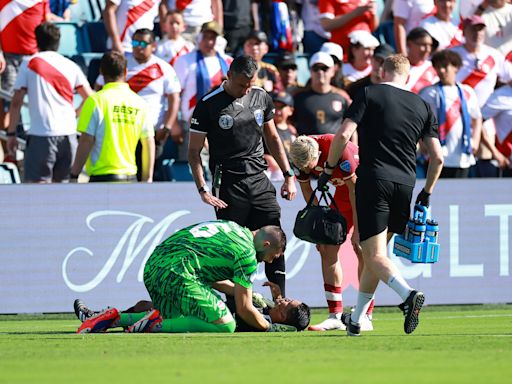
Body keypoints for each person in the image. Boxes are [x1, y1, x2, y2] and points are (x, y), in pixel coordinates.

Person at [319, 54, 444, 336]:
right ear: (407, 75)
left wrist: (328, 169)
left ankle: (408, 296)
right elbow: (437, 157)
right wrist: (427, 193)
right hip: (406, 184)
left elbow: (342, 136)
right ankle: (357, 320)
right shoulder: (423, 105)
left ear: (381, 71)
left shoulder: (369, 93)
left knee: (372, 254)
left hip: (374, 179)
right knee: (377, 255)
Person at [188, 55, 297, 296]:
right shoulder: (208, 104)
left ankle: (281, 303)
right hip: (228, 184)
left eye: (249, 84)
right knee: (232, 248)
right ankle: (237, 309)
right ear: (229, 76)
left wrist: (288, 174)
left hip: (259, 180)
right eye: (241, 85)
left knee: (275, 239)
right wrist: (203, 190)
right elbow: (193, 151)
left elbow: (272, 137)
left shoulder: (261, 97)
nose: (246, 89)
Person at [77, 220, 296, 333]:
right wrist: (271, 327)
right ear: (266, 245)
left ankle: (112, 318)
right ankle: (153, 324)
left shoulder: (231, 227)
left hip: (154, 267)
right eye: (272, 256)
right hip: (178, 273)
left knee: (178, 320)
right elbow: (243, 309)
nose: (268, 261)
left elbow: (207, 277)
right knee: (225, 324)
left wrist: (244, 291)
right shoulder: (248, 253)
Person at [289, 135, 374, 332]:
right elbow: (306, 188)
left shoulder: (339, 150)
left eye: (310, 166)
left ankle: (366, 314)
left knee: (361, 247)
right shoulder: (298, 155)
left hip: (363, 191)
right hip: (341, 193)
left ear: (318, 154)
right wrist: (321, 221)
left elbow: (355, 191)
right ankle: (335, 314)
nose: (308, 171)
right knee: (326, 247)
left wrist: (358, 230)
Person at [6, 22, 92, 183]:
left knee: (36, 191)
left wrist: (11, 134)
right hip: (68, 135)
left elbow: (16, 102)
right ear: (58, 42)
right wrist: (75, 115)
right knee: (65, 191)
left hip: (41, 136)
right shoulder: (71, 65)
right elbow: (90, 97)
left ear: (36, 41)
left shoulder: (29, 64)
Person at [74, 280, 311, 332]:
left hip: (208, 316)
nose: (285, 299)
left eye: (287, 302)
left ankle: (104, 320)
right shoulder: (269, 307)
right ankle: (99, 318)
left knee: (153, 311)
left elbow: (291, 327)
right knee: (146, 305)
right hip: (205, 306)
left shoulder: (267, 324)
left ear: (283, 315)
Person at [70, 51, 155, 183]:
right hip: (130, 178)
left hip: (101, 178)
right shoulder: (140, 103)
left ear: (101, 72)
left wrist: (75, 174)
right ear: (126, 72)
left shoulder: (95, 101)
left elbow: (86, 141)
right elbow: (148, 142)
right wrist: (147, 178)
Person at [173, 21, 232, 161]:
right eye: (205, 37)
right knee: (193, 167)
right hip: (192, 123)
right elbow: (175, 94)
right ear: (199, 37)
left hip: (222, 126)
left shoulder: (228, 62)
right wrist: (175, 123)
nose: (209, 42)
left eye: (213, 38)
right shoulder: (184, 61)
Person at [420, 50, 482, 178]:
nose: (441, 71)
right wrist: (422, 143)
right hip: (436, 157)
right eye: (438, 67)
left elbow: (477, 118)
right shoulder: (428, 93)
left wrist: (475, 141)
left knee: (461, 196)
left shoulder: (467, 91)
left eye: (445, 66)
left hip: (462, 157)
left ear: (456, 67)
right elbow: (419, 121)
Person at [293, 52, 350, 136]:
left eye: (324, 68)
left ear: (333, 71)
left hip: (334, 147)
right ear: (310, 71)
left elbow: (350, 126)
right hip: (306, 147)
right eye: (316, 68)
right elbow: (287, 122)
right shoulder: (298, 96)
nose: (320, 72)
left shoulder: (342, 96)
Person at [264, 91, 296, 181]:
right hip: (272, 176)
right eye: (275, 107)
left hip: (291, 176)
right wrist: (267, 158)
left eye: (281, 107)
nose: (277, 111)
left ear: (290, 111)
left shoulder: (292, 132)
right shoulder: (265, 130)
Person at [404, 28, 439, 94]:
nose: (428, 49)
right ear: (409, 44)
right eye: (423, 44)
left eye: (430, 45)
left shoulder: (433, 69)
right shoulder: (397, 65)